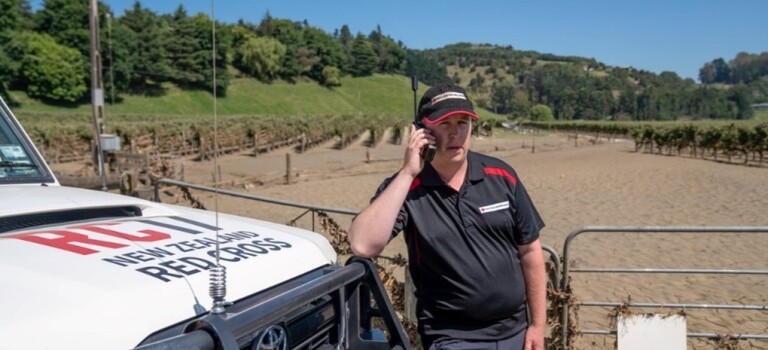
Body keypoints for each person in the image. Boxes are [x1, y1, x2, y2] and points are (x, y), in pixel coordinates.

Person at [348, 83, 547, 350]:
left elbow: (530, 251)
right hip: (452, 337)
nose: (456, 133)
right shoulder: (407, 188)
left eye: (463, 122)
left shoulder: (502, 176)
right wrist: (408, 172)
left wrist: (537, 326)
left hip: (516, 332)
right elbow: (362, 244)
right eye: (445, 124)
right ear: (421, 132)